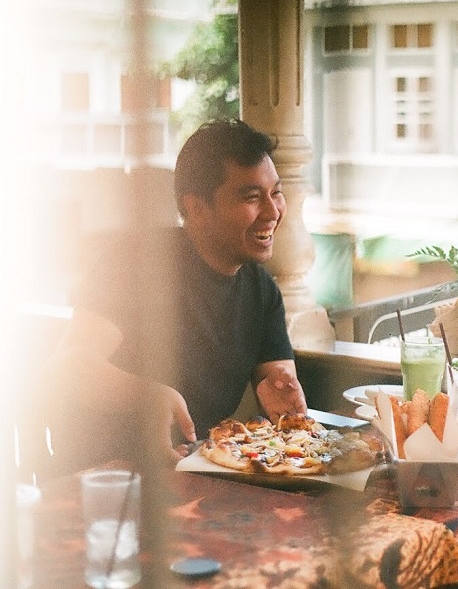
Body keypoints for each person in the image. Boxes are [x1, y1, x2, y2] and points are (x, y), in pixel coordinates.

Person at [45, 120, 307, 466]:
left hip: (192, 477)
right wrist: (150, 397)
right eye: (251, 197)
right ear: (196, 208)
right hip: (104, 480)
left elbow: (278, 385)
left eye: (276, 192)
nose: (273, 212)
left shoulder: (262, 291)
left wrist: (282, 392)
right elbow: (68, 366)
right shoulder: (139, 263)